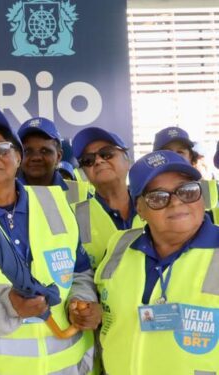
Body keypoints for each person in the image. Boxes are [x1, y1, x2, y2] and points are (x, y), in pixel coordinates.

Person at [0, 104, 99, 375]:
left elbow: (79, 271)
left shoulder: (55, 203)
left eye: (0, 148)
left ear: (17, 157)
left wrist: (81, 302)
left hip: (66, 366)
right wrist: (10, 305)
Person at [95, 150, 219, 374]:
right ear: (140, 209)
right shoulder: (120, 244)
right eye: (158, 198)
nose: (176, 202)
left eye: (187, 191)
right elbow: (99, 295)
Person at [71, 127, 145, 269]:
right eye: (88, 160)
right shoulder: (73, 216)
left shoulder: (155, 204)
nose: (98, 161)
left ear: (127, 161)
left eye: (106, 154)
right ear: (84, 172)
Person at [17, 117, 90, 204]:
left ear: (58, 157)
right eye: (27, 151)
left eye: (44, 151)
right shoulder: (5, 193)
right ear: (18, 156)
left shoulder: (81, 194)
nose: (36, 157)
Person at [153, 126, 217, 209]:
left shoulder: (207, 186)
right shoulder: (147, 188)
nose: (174, 157)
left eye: (180, 152)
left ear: (191, 157)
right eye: (167, 152)